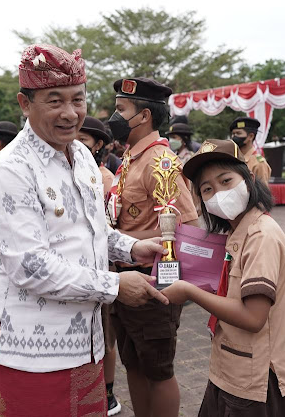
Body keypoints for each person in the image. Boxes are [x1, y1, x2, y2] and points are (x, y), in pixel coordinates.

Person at [0, 43, 170, 416]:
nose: (70, 114)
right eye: (55, 101)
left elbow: (91, 228)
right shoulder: (9, 171)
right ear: (24, 103)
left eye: (77, 99)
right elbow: (30, 265)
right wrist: (114, 286)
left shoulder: (81, 155)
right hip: (32, 351)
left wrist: (131, 248)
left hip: (86, 340)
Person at [161, 139, 285, 415]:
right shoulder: (238, 233)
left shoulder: (261, 237)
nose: (219, 194)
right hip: (231, 369)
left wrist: (189, 291)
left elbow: (252, 318)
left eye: (226, 181)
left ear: (248, 179)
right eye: (207, 189)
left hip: (255, 380)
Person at [106, 77, 198, 417]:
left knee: (159, 369)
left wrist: (170, 283)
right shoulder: (131, 158)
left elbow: (185, 226)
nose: (114, 117)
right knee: (134, 363)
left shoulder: (161, 161)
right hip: (124, 278)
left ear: (143, 115)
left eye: (120, 110)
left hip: (153, 280)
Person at [76, 115, 122, 415]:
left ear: (98, 144)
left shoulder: (102, 176)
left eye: (84, 139)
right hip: (80, 270)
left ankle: (107, 392)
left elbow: (107, 225)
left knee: (105, 334)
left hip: (102, 265)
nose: (77, 143)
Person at [77, 115, 114, 195]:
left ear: (98, 145)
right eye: (72, 138)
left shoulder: (105, 179)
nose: (75, 144)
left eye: (82, 139)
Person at [230, 116, 271, 184]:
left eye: (238, 133)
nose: (234, 137)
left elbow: (262, 192)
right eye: (233, 134)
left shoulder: (258, 163)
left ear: (250, 136)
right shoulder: (232, 159)